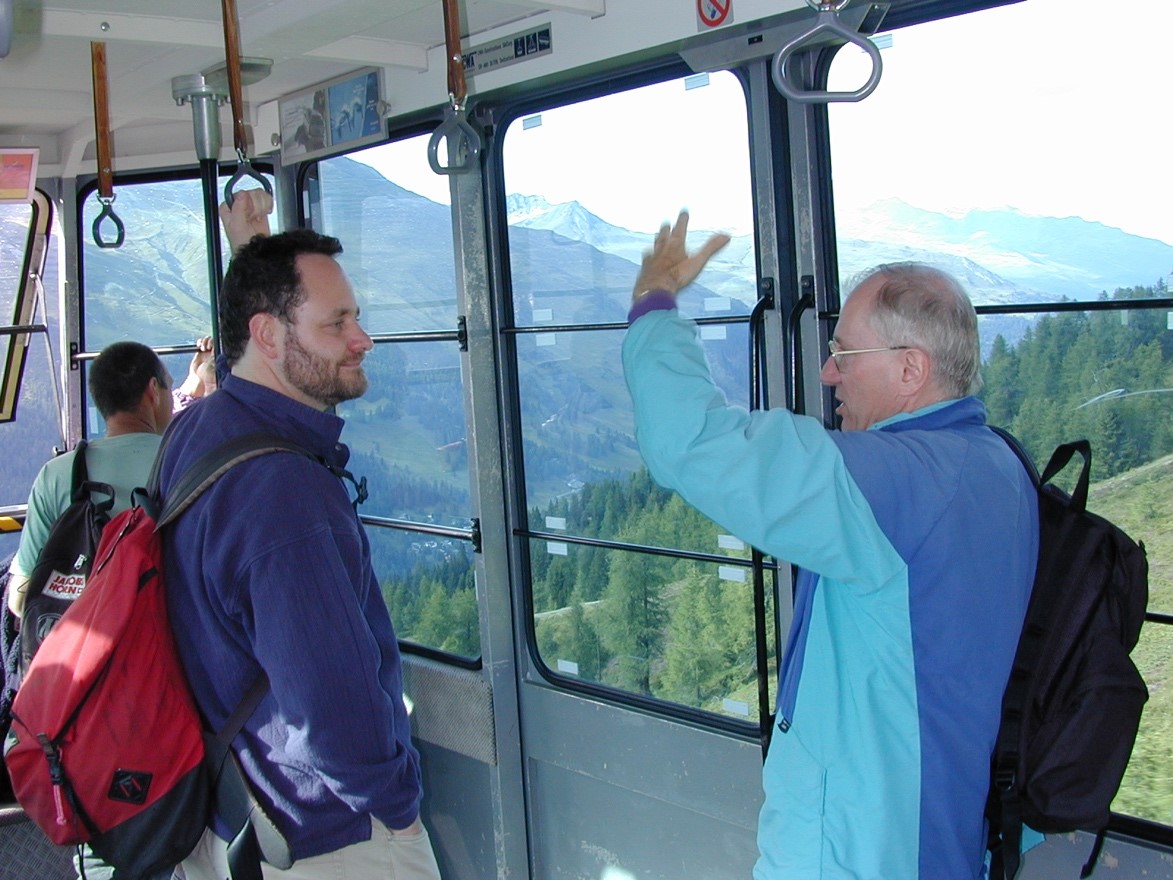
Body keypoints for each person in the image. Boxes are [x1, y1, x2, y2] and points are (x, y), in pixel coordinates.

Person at [621, 212, 1039, 879]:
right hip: (942, 828)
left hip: (861, 850)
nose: (825, 374)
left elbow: (692, 444)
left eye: (843, 354)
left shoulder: (899, 486)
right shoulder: (997, 465)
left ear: (910, 369)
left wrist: (653, 307)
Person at [158, 228, 441, 880]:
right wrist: (395, 808)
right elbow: (329, 704)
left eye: (357, 318)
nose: (360, 339)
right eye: (336, 322)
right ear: (268, 337)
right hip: (325, 836)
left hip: (233, 805)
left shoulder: (197, 429)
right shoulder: (284, 492)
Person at [3, 340, 175, 880]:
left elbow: (21, 592)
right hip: (172, 667)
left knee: (94, 794)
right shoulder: (184, 460)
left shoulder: (63, 475)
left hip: (85, 684)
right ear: (153, 391)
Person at [5, 341, 173, 620]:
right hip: (168, 642)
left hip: (87, 650)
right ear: (153, 390)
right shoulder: (190, 463)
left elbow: (21, 599)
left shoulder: (58, 474)